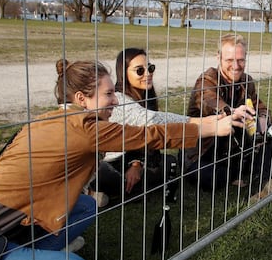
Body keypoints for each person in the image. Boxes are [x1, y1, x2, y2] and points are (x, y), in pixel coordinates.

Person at [0, 59, 236, 260]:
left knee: (86, 206)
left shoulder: (50, 119)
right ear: (81, 98)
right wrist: (213, 127)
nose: (115, 100)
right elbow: (149, 135)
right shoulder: (86, 130)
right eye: (109, 94)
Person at [91, 48, 234, 203]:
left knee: (169, 162)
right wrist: (209, 123)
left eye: (150, 68)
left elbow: (146, 138)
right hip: (110, 161)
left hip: (133, 157)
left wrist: (137, 164)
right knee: (103, 172)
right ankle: (108, 194)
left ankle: (123, 192)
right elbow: (155, 120)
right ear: (124, 73)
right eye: (140, 70)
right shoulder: (119, 99)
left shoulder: (146, 98)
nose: (148, 73)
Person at [183, 34, 272, 192]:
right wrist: (233, 112)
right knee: (211, 178)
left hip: (232, 149)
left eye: (241, 60)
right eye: (229, 60)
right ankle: (245, 171)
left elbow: (261, 108)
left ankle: (262, 179)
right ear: (218, 57)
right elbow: (211, 103)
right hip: (203, 152)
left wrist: (261, 124)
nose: (236, 66)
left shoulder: (246, 82)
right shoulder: (207, 80)